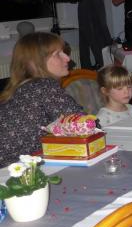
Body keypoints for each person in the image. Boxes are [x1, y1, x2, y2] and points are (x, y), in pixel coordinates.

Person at [0, 32, 82, 167]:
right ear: (35, 62)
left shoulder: (17, 90)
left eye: (64, 52)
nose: (67, 58)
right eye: (57, 54)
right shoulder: (44, 85)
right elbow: (83, 125)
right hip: (15, 170)